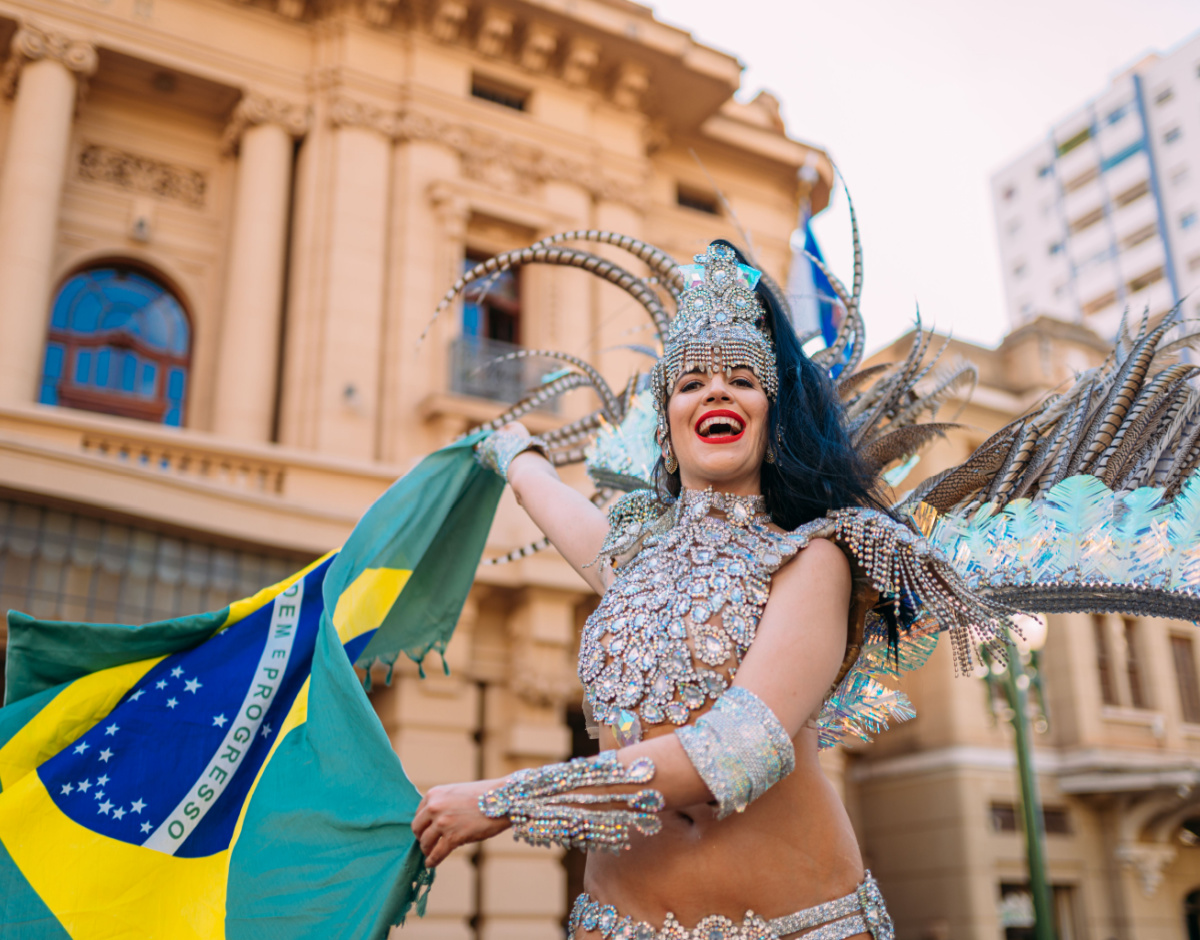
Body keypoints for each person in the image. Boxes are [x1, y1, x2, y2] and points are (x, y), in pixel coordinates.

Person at [413, 241, 896, 940]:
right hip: (616, 925)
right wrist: (512, 454)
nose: (717, 392)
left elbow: (736, 748)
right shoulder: (639, 561)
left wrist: (503, 799)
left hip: (800, 926)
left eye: (742, 379)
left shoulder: (813, 558)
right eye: (692, 382)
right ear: (668, 425)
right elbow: (556, 506)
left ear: (771, 416)